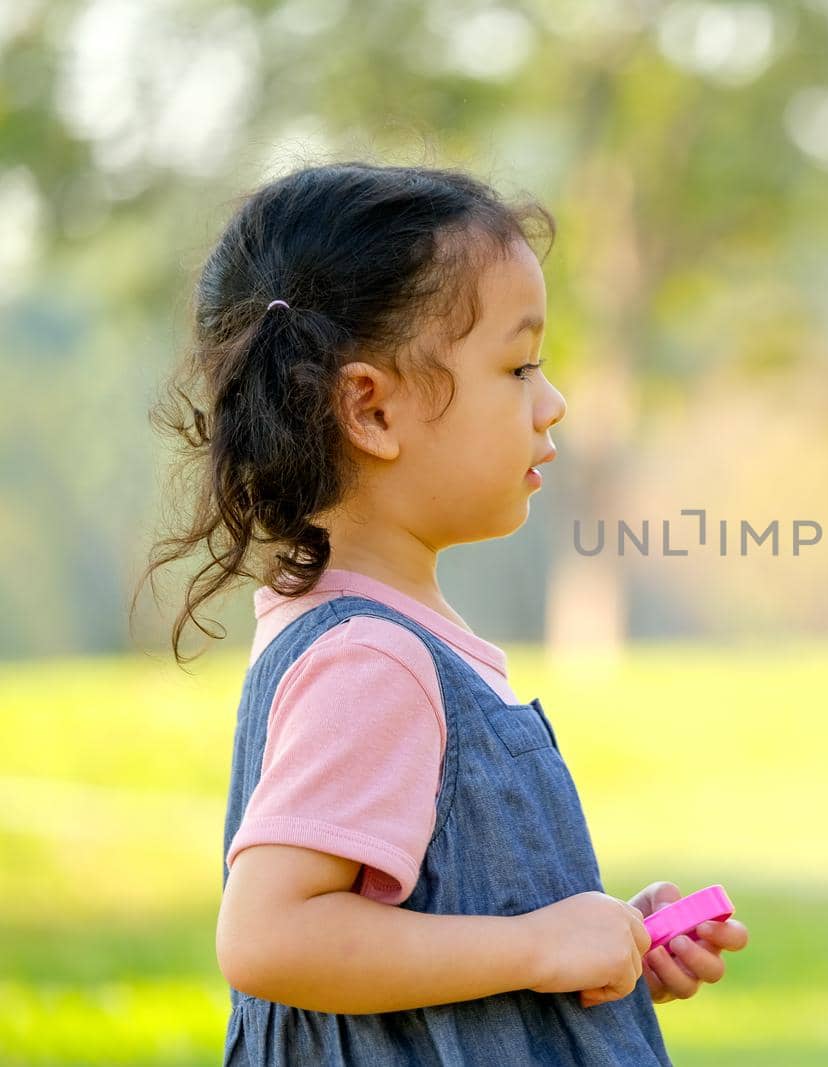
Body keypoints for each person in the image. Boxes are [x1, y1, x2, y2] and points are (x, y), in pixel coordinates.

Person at [132, 160, 747, 1064]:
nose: (554, 400)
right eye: (520, 364)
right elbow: (269, 936)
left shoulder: (389, 642)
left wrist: (599, 934)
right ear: (371, 411)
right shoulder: (372, 660)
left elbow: (427, 914)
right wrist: (539, 944)